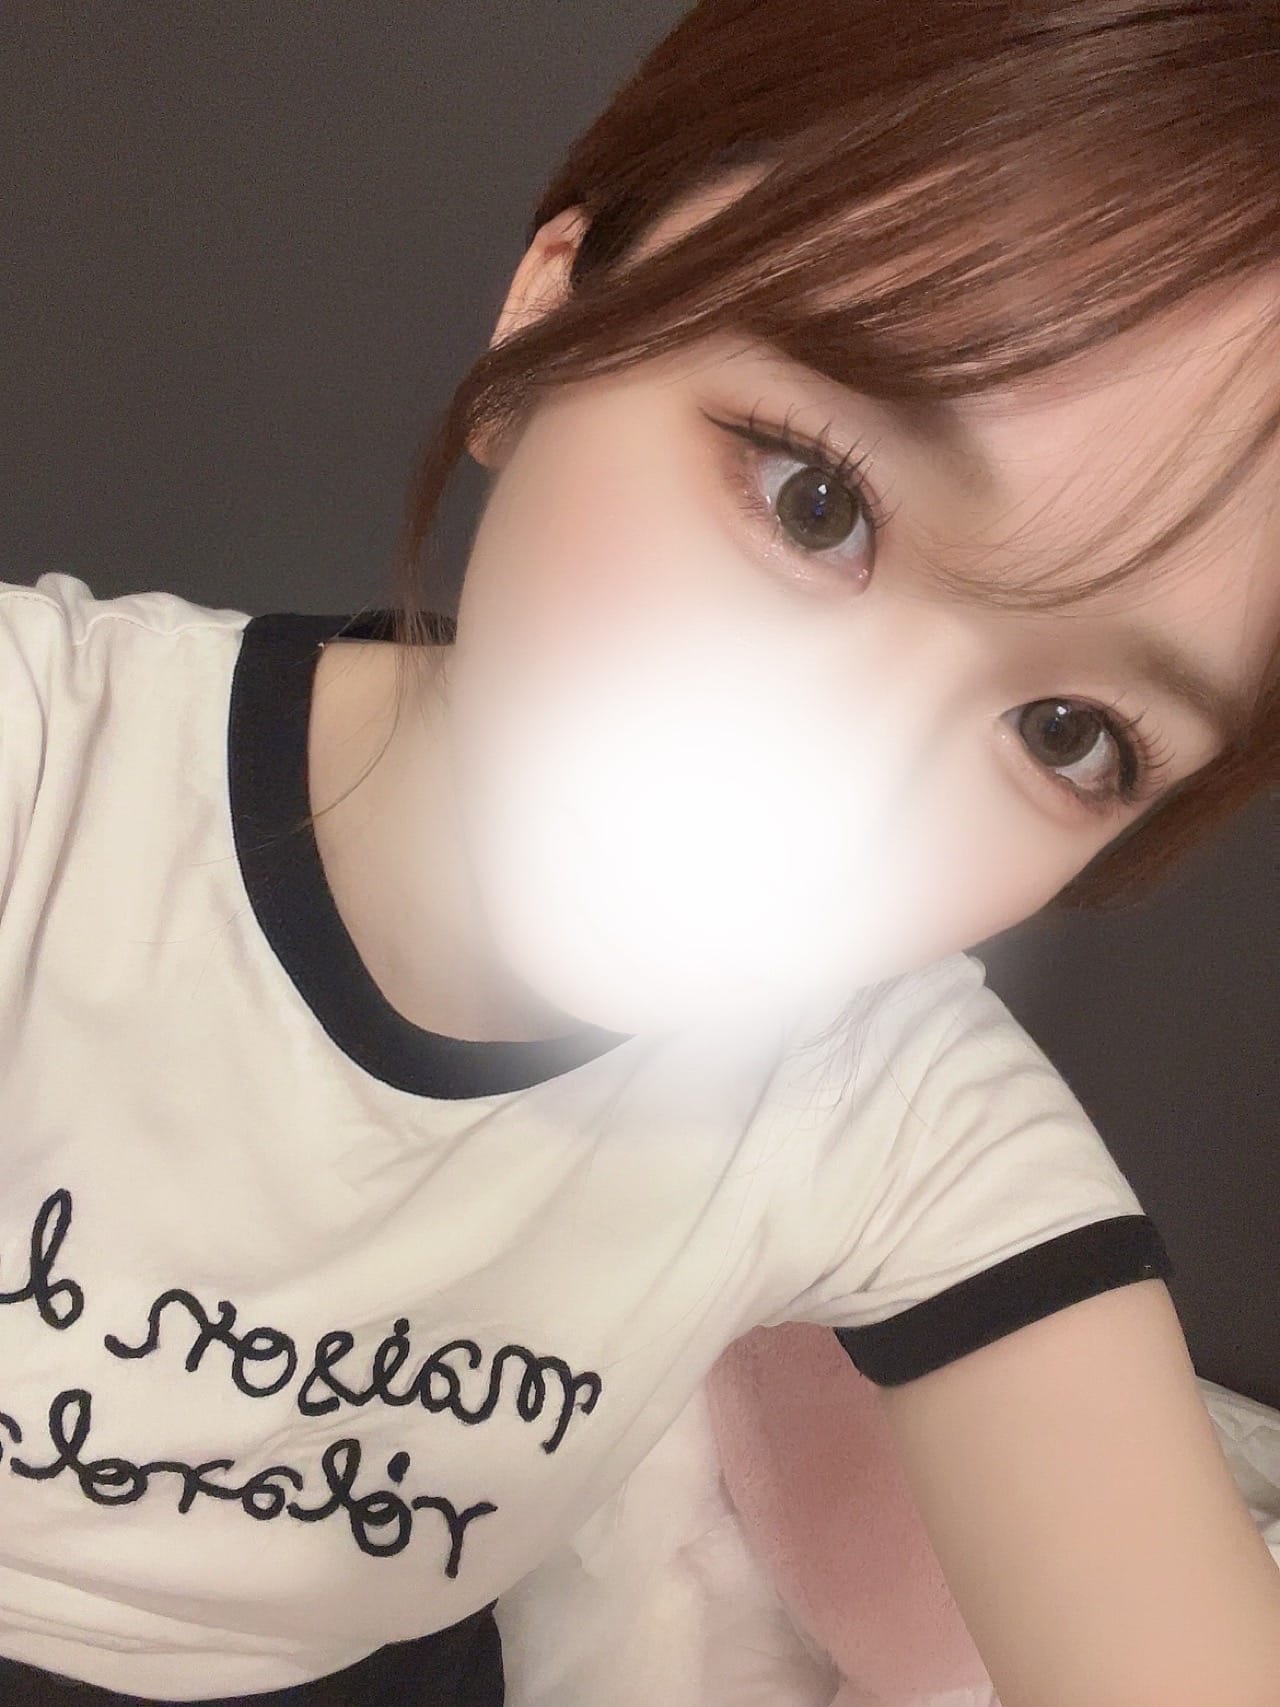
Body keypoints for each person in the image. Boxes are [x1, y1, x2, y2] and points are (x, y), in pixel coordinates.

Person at [2, 0, 1279, 1701]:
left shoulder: (889, 1106)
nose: (850, 798)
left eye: (1068, 735)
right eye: (816, 499)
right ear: (551, 317)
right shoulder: (44, 770)